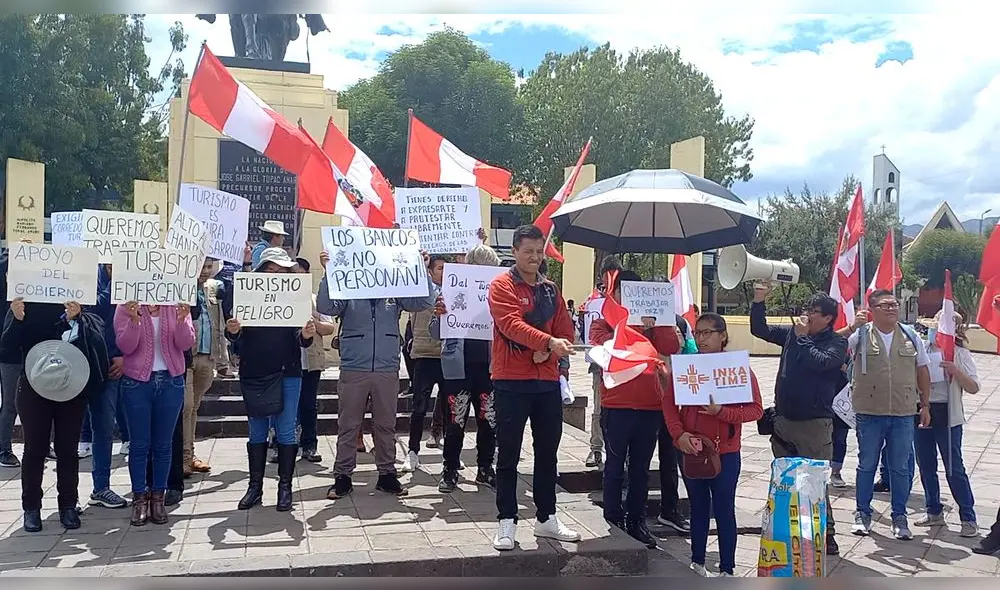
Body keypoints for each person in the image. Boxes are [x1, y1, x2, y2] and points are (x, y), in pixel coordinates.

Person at [487, 224, 579, 551]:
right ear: (514, 251)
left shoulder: (551, 290)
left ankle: (546, 518)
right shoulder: (501, 285)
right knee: (509, 453)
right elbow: (510, 325)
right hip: (511, 381)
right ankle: (506, 521)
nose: (535, 258)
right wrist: (546, 343)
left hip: (546, 383)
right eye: (528, 251)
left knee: (547, 454)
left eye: (539, 252)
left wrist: (554, 351)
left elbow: (565, 329)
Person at [318, 248, 435, 499]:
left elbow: (424, 302)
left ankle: (386, 475)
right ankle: (342, 476)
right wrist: (329, 272)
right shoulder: (348, 286)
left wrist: (421, 269)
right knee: (348, 424)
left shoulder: (394, 287)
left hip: (386, 366)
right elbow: (326, 305)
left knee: (385, 424)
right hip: (354, 365)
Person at [661, 313, 764, 577]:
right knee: (697, 507)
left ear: (723, 336)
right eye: (698, 333)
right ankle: (697, 562)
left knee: (724, 509)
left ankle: (727, 569)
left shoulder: (738, 369)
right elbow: (669, 405)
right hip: (692, 449)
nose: (702, 338)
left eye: (708, 333)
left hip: (726, 452)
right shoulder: (686, 367)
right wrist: (678, 435)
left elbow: (755, 410)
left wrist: (722, 412)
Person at [750, 285, 848, 555]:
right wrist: (759, 301)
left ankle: (826, 533)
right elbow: (760, 330)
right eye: (807, 310)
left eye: (814, 312)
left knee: (815, 481)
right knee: (785, 480)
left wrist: (803, 338)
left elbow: (821, 362)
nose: (807, 316)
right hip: (784, 421)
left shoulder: (836, 343)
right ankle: (786, 528)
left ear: (828, 318)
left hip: (814, 425)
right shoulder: (792, 335)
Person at [588, 270, 682, 548]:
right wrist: (637, 327)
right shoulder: (603, 322)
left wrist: (659, 324)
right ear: (615, 295)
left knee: (640, 469)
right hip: (617, 406)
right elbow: (608, 349)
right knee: (615, 466)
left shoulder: (657, 322)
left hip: (650, 405)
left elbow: (671, 346)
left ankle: (637, 522)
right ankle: (613, 518)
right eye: (622, 293)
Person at [4, 295, 108, 532]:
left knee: (68, 450)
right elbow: (7, 347)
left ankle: (68, 506)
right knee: (35, 449)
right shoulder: (24, 301)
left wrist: (78, 319)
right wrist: (17, 320)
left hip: (71, 385)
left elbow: (94, 340)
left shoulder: (79, 301)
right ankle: (31, 508)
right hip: (33, 384)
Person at [227, 248, 316, 512]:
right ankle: (254, 488)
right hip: (254, 373)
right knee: (257, 431)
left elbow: (301, 339)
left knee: (286, 429)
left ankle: (285, 488)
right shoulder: (246, 297)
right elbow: (235, 336)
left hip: (287, 371)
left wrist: (307, 334)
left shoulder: (293, 298)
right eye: (270, 269)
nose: (275, 275)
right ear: (260, 272)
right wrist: (232, 331)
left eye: (282, 271)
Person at [840, 289, 931, 540]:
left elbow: (922, 370)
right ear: (872, 309)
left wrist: (925, 405)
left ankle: (899, 516)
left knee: (900, 467)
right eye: (885, 305)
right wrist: (850, 327)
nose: (892, 308)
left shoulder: (911, 336)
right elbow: (834, 347)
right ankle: (862, 512)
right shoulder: (860, 334)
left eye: (894, 304)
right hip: (869, 412)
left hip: (903, 412)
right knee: (866, 464)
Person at [115, 300, 195, 526]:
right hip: (137, 383)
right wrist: (133, 321)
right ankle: (140, 498)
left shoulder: (176, 305)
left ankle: (158, 497)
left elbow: (186, 342)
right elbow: (126, 346)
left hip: (171, 382)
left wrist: (181, 321)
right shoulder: (126, 306)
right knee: (140, 444)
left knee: (163, 444)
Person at [429, 243, 502, 493]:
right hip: (457, 367)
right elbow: (435, 333)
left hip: (490, 368)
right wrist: (439, 315)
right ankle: (449, 470)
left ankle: (484, 468)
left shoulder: (501, 294)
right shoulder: (451, 290)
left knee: (488, 421)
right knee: (455, 421)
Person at [913, 311, 979, 537]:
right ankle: (933, 510)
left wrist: (955, 371)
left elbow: (973, 387)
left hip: (948, 414)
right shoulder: (922, 349)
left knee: (954, 467)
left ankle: (968, 517)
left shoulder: (959, 353)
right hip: (923, 409)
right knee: (926, 465)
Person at [81, 263, 129, 509]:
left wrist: (120, 353)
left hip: (113, 363)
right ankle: (67, 498)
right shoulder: (86, 271)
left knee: (104, 427)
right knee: (74, 429)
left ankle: (102, 487)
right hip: (79, 364)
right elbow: (94, 309)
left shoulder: (129, 274)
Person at [403, 255, 447, 472]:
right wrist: (420, 262)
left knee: (450, 406)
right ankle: (412, 451)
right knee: (419, 406)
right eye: (439, 268)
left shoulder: (456, 290)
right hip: (424, 354)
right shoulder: (422, 290)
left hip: (448, 356)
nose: (444, 272)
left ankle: (449, 453)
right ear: (430, 271)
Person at [656, 312, 697, 533]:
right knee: (635, 462)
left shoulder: (680, 323)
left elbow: (692, 352)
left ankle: (670, 510)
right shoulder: (634, 321)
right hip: (642, 401)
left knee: (671, 458)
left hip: (672, 401)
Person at [184, 259, 225, 476]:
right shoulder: (181, 287)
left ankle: (190, 453)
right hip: (186, 356)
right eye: (201, 266)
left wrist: (221, 357)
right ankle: (184, 457)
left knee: (195, 406)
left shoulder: (213, 288)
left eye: (209, 267)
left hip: (207, 355)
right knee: (186, 406)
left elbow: (218, 322)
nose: (205, 271)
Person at [296, 256, 335, 463]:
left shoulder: (315, 300)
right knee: (284, 404)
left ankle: (309, 445)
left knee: (309, 404)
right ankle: (281, 444)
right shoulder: (280, 299)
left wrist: (314, 323)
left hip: (311, 362)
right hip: (286, 361)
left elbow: (329, 328)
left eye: (302, 274)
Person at [0, 248, 21, 468]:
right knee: (10, 403)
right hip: (10, 354)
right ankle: (4, 449)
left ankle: (43, 446)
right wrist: (12, 253)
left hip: (33, 351)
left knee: (42, 401)